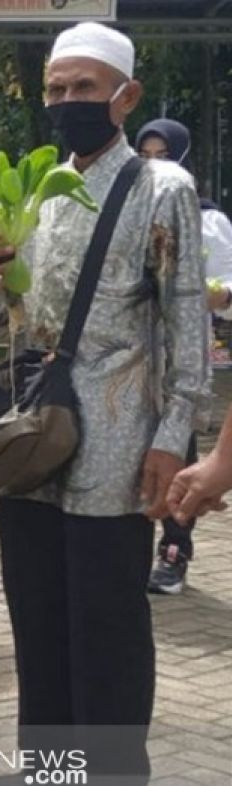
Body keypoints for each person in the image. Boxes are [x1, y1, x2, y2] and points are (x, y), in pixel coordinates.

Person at [0, 23, 208, 786]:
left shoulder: (159, 188)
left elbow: (186, 329)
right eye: (58, 90)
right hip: (36, 429)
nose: (70, 102)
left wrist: (174, 437)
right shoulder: (39, 186)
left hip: (118, 433)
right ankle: (48, 775)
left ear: (126, 97)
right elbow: (10, 311)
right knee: (36, 613)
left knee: (105, 621)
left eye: (86, 88)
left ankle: (108, 783)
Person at [135, 118, 228, 594]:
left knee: (180, 446)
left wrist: (212, 296)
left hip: (182, 354)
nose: (155, 165)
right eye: (146, 155)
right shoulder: (126, 208)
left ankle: (174, 551)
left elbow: (227, 284)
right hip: (134, 360)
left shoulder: (207, 218)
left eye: (164, 155)